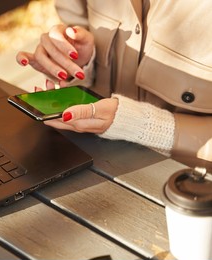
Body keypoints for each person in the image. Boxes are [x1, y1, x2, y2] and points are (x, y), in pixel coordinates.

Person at [16, 0, 212, 168]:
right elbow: (77, 23)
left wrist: (140, 124)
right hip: (87, 153)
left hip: (183, 187)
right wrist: (77, 58)